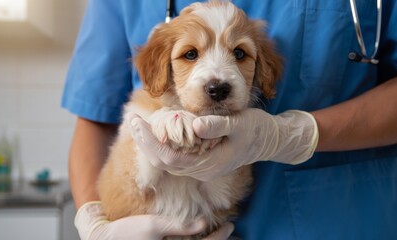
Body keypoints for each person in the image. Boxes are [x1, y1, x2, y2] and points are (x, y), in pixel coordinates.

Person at [62, 0, 397, 239]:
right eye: (190, 54)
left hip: (334, 220)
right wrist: (97, 226)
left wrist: (293, 135)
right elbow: (94, 117)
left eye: (240, 53)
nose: (218, 79)